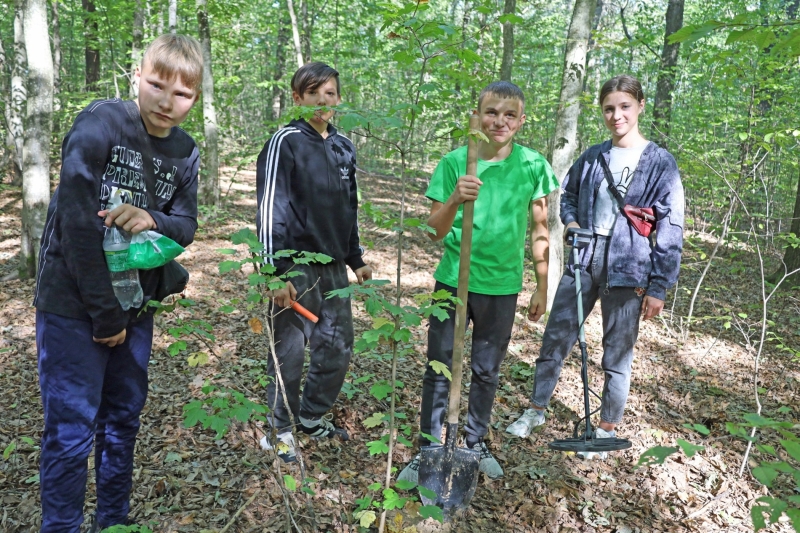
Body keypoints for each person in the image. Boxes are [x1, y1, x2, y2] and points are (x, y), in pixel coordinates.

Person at [33, 34, 203, 532]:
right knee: (70, 432)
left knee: (123, 420)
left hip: (138, 306)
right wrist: (107, 315)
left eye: (183, 94)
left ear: (195, 98)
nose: (167, 102)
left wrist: (151, 217)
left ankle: (114, 523)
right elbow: (76, 224)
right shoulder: (100, 124)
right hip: (72, 306)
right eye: (157, 85)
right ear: (138, 76)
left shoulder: (186, 151)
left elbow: (186, 225)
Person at [506, 75, 684, 459]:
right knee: (556, 337)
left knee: (617, 353)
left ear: (640, 106)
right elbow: (567, 195)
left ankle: (606, 429)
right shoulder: (593, 156)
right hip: (583, 260)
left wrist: (658, 287)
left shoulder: (660, 163)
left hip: (629, 266)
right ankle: (536, 409)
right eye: (608, 108)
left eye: (624, 106)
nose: (616, 115)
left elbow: (670, 228)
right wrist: (570, 224)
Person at [397, 81, 559, 482]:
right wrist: (455, 198)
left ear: (521, 121)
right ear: (477, 115)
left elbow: (540, 228)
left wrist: (542, 284)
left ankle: (475, 441)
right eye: (491, 112)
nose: (499, 121)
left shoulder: (533, 165)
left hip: (502, 285)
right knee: (439, 365)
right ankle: (429, 446)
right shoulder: (456, 162)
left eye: (509, 115)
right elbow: (434, 231)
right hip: (454, 280)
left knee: (487, 369)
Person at [255, 62, 372, 463]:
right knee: (289, 351)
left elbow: (348, 207)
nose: (323, 101)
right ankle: (279, 429)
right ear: (297, 98)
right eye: (313, 93)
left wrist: (355, 258)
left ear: (338, 98)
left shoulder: (343, 146)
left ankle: (310, 416)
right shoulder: (285, 141)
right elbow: (271, 208)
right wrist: (273, 272)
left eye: (330, 93)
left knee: (337, 346)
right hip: (294, 265)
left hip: (334, 266)